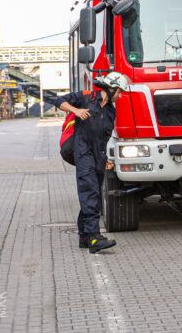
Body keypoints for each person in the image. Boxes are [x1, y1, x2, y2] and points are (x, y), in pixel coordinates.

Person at [55, 72, 130, 253]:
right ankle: (94, 238)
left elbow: (104, 138)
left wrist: (106, 159)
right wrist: (76, 110)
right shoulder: (85, 97)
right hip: (83, 153)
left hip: (98, 156)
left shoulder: (111, 111)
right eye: (119, 92)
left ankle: (84, 236)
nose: (120, 96)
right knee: (91, 193)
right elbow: (58, 100)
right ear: (110, 88)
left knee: (93, 194)